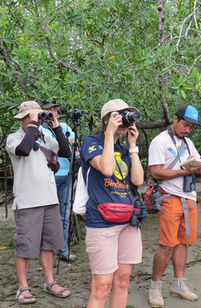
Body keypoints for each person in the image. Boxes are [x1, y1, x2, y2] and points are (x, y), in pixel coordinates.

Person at [6, 101, 72, 304]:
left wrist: (56, 125)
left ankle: (50, 282)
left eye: (35, 116)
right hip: (28, 202)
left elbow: (65, 152)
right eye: (30, 117)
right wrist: (34, 125)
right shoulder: (14, 138)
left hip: (49, 200)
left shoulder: (44, 137)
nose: (33, 120)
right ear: (23, 119)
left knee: (48, 245)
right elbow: (24, 150)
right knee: (25, 246)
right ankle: (22, 287)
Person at [80, 99, 144, 308]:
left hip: (127, 221)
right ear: (107, 119)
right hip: (101, 221)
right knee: (102, 285)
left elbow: (137, 180)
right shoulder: (91, 141)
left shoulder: (124, 149)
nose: (125, 120)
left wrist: (133, 147)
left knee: (123, 280)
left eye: (127, 115)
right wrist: (108, 134)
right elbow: (107, 169)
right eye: (120, 115)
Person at [147, 105, 201, 307]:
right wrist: (183, 172)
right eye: (185, 125)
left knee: (183, 242)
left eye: (191, 127)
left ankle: (179, 284)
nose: (188, 130)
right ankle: (155, 286)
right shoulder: (159, 141)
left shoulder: (188, 143)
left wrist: (199, 166)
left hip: (189, 198)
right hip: (169, 198)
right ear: (175, 119)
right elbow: (155, 172)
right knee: (166, 244)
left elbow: (199, 171)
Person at [39, 99, 77, 263]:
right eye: (48, 110)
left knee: (64, 216)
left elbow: (72, 151)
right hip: (47, 178)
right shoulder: (38, 130)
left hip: (66, 176)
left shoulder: (66, 128)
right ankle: (44, 251)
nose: (51, 113)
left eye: (54, 109)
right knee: (45, 215)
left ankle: (63, 251)